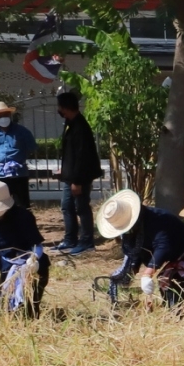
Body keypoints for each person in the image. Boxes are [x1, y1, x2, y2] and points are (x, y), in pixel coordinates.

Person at [98, 188, 184, 303]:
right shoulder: (132, 230)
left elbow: (163, 247)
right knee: (165, 285)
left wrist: (147, 274)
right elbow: (137, 251)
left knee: (172, 287)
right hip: (172, 261)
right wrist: (131, 270)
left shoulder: (159, 219)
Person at [0, 178, 51, 316]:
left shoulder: (23, 217)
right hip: (7, 267)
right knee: (5, 305)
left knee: (28, 306)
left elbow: (36, 244)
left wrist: (34, 258)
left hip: (31, 267)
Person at [53, 90, 101, 253]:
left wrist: (77, 181)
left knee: (81, 207)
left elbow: (82, 157)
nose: (59, 110)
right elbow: (71, 153)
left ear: (65, 107)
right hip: (71, 175)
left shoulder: (80, 127)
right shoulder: (71, 123)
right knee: (67, 207)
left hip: (80, 177)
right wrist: (65, 168)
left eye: (60, 106)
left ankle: (87, 242)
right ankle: (70, 240)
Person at [0, 99, 39, 210]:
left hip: (18, 173)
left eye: (5, 114)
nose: (3, 118)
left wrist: (17, 159)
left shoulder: (22, 131)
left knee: (21, 205)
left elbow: (31, 149)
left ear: (10, 114)